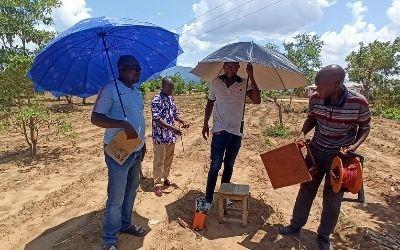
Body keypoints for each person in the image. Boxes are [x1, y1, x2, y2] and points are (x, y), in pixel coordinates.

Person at [279, 65, 371, 250]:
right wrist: (302, 134)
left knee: (332, 197)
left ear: (336, 85)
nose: (316, 89)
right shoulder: (315, 98)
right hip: (315, 152)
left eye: (321, 85)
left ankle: (323, 236)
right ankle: (295, 225)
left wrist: (354, 146)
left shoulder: (358, 102)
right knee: (306, 189)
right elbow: (312, 118)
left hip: (340, 159)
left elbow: (365, 128)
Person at [91, 55, 147, 250]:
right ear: (122, 69)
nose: (138, 71)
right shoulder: (109, 89)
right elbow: (96, 118)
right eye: (134, 68)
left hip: (135, 150)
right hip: (117, 152)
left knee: (131, 191)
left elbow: (139, 119)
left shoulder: (137, 92)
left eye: (139, 68)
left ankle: (125, 224)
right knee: (116, 197)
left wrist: (143, 143)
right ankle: (110, 239)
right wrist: (122, 124)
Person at [202, 62, 261, 212]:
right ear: (223, 66)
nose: (230, 69)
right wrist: (205, 124)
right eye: (227, 66)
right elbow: (210, 103)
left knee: (229, 165)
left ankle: (225, 196)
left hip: (236, 131)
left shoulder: (244, 82)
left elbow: (257, 100)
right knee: (215, 165)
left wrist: (252, 76)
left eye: (233, 66)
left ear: (238, 67)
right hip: (219, 129)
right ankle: (208, 199)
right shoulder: (216, 82)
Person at [151, 77, 189, 197]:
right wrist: (173, 129)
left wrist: (182, 121)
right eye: (170, 87)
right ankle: (157, 184)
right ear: (163, 86)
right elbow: (157, 119)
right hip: (160, 136)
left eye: (173, 87)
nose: (172, 89)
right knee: (159, 161)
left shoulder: (171, 99)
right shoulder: (156, 100)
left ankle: (165, 178)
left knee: (168, 160)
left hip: (170, 136)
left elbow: (175, 114)